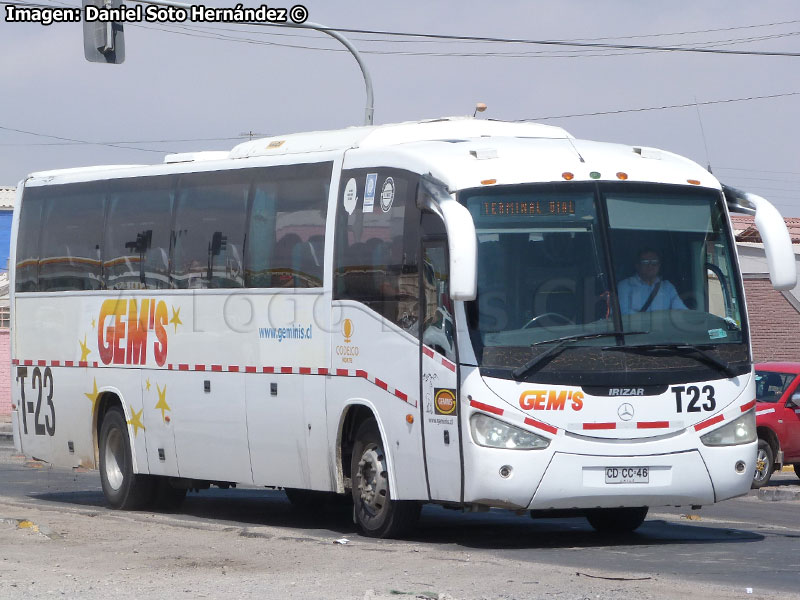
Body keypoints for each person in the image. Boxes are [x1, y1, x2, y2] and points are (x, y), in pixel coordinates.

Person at [617, 248, 687, 314]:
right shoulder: (625, 286)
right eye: (645, 262)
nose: (650, 266)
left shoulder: (667, 287)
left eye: (654, 262)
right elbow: (622, 314)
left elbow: (681, 311)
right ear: (637, 265)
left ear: (659, 265)